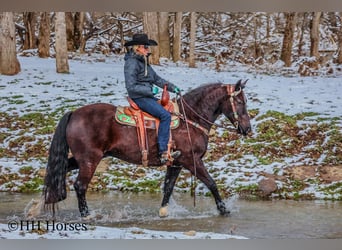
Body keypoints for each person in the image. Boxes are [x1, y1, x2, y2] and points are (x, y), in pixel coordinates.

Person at [124, 33, 181, 164]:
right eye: (145, 47)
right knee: (165, 116)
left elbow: (156, 79)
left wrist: (173, 88)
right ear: (137, 47)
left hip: (147, 95)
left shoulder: (143, 61)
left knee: (170, 111)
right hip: (140, 97)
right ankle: (163, 152)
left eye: (148, 47)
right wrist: (150, 90)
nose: (148, 49)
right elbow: (130, 86)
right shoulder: (132, 63)